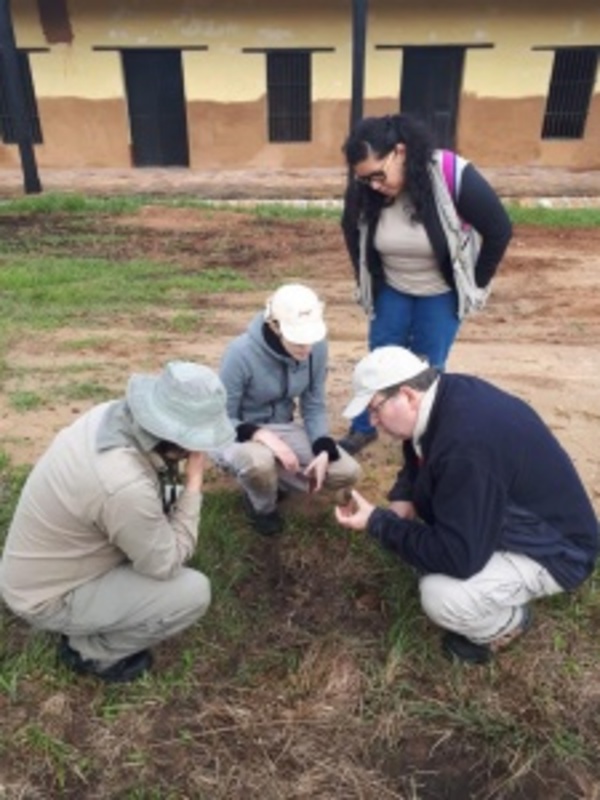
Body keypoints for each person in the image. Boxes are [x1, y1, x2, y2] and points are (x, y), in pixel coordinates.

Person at [335, 346, 598, 664]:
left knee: (441, 595)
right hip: (522, 514)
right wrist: (405, 495)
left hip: (559, 551)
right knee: (427, 543)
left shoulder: (465, 448)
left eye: (375, 409)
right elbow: (417, 445)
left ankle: (506, 624)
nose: (373, 421)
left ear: (407, 394)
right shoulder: (446, 393)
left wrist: (379, 522)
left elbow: (458, 557)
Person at [0, 361, 234, 683]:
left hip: (37, 570)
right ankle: (92, 652)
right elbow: (164, 564)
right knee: (192, 592)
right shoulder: (124, 486)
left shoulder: (112, 416)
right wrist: (194, 485)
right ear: (182, 443)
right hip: (47, 598)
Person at [338, 113, 513, 454]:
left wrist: (474, 282)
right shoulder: (366, 187)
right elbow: (350, 229)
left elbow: (499, 229)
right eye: (364, 179)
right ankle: (364, 426)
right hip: (392, 287)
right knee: (381, 358)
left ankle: (423, 433)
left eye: (378, 175)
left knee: (428, 366)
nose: (373, 185)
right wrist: (367, 277)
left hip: (440, 292)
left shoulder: (450, 174)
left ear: (400, 152)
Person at [214, 282, 361, 536]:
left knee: (346, 471)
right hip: (234, 433)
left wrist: (323, 447)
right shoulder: (239, 353)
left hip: (282, 427)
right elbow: (219, 418)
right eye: (298, 341)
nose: (307, 349)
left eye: (311, 341)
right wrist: (260, 435)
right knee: (258, 462)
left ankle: (269, 480)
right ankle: (261, 505)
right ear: (275, 326)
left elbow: (313, 404)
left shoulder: (316, 347)